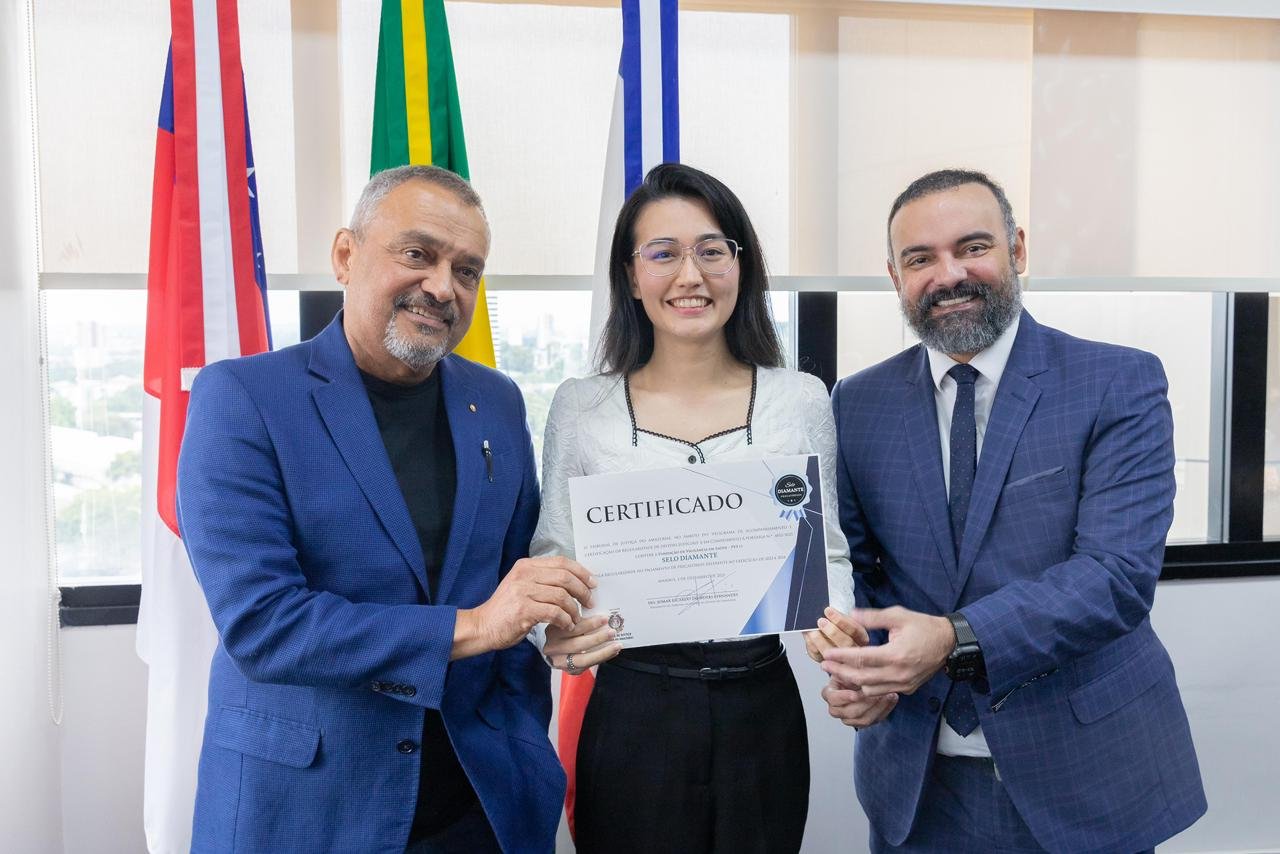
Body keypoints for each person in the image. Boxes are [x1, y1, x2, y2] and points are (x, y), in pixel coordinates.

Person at [177, 165, 595, 853]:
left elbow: (518, 580)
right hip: (309, 809)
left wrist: (531, 707)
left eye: (467, 270)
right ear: (346, 255)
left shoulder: (496, 401)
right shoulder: (243, 398)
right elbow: (262, 624)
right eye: (418, 253)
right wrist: (473, 626)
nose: (442, 286)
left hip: (481, 805)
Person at [821, 168, 1207, 852]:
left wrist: (952, 638)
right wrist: (865, 663)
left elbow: (1116, 577)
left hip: (1083, 778)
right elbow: (859, 569)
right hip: (916, 783)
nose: (949, 275)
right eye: (920, 258)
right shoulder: (857, 402)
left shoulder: (1117, 381)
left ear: (1018, 249)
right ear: (895, 276)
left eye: (973, 247)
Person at [530, 162, 856, 854]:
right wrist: (553, 632)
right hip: (633, 710)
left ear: (741, 265)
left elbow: (827, 552)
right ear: (630, 275)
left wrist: (841, 632)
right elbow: (553, 558)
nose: (691, 275)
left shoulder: (799, 399)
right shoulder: (582, 408)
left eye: (712, 250)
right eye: (663, 253)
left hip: (762, 705)